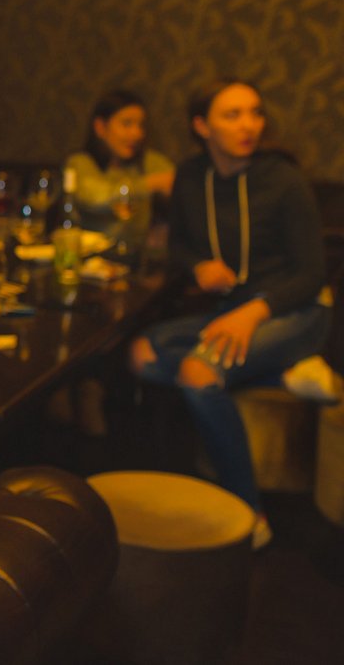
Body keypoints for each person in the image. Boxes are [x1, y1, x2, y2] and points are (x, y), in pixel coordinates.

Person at [130, 79, 329, 548]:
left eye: (255, 113)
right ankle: (279, 372)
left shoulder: (283, 179)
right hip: (232, 310)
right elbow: (179, 245)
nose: (249, 125)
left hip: (297, 310)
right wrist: (199, 266)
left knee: (198, 373)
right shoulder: (190, 176)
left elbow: (312, 273)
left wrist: (253, 313)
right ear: (202, 126)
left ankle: (249, 514)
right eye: (233, 115)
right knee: (143, 355)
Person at [64, 90, 175, 241]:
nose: (137, 133)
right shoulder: (80, 162)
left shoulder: (149, 161)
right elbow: (97, 198)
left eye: (140, 125)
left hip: (136, 253)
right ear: (100, 127)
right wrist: (149, 184)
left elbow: (179, 184)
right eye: (127, 124)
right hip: (91, 253)